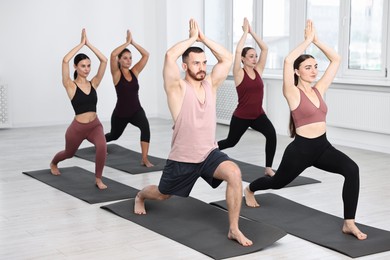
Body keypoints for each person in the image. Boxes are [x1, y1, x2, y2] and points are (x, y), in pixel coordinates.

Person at [244, 20, 367, 240]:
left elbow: (336, 59)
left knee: (352, 170)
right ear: (297, 72)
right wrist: (307, 41)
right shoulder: (292, 92)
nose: (313, 71)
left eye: (315, 66)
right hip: (300, 151)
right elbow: (288, 59)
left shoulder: (319, 90)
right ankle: (250, 189)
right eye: (308, 67)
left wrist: (317, 41)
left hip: (323, 147)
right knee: (277, 183)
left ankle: (349, 222)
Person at [134, 19, 253, 247]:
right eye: (196, 63)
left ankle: (234, 229)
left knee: (235, 174)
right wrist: (191, 38)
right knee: (162, 194)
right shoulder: (177, 89)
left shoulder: (211, 84)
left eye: (204, 63)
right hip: (182, 159)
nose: (202, 67)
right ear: (185, 67)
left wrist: (203, 38)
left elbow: (227, 58)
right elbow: (169, 56)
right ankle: (140, 196)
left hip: (209, 154)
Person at [217, 18, 277, 177]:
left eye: (255, 56)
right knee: (231, 142)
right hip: (241, 116)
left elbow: (265, 48)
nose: (254, 58)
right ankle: (206, 152)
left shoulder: (259, 71)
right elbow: (237, 51)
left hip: (258, 115)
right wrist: (244, 33)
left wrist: (251, 32)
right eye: (251, 56)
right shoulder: (238, 73)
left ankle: (268, 168)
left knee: (271, 134)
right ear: (243, 59)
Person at [50, 29, 108, 190]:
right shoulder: (70, 85)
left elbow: (104, 61)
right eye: (83, 66)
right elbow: (64, 61)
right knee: (69, 153)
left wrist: (89, 45)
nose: (87, 69)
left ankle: (98, 179)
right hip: (77, 128)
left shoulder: (94, 83)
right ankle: (54, 162)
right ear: (76, 67)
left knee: (102, 146)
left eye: (89, 66)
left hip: (94, 125)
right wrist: (80, 44)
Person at [104, 30, 154, 167]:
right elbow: (113, 54)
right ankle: (100, 143)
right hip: (121, 113)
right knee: (114, 135)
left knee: (145, 128)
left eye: (130, 57)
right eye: (125, 58)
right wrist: (126, 42)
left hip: (136, 110)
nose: (129, 60)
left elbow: (146, 55)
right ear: (119, 60)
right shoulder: (116, 74)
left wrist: (133, 43)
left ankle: (144, 159)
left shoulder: (135, 71)